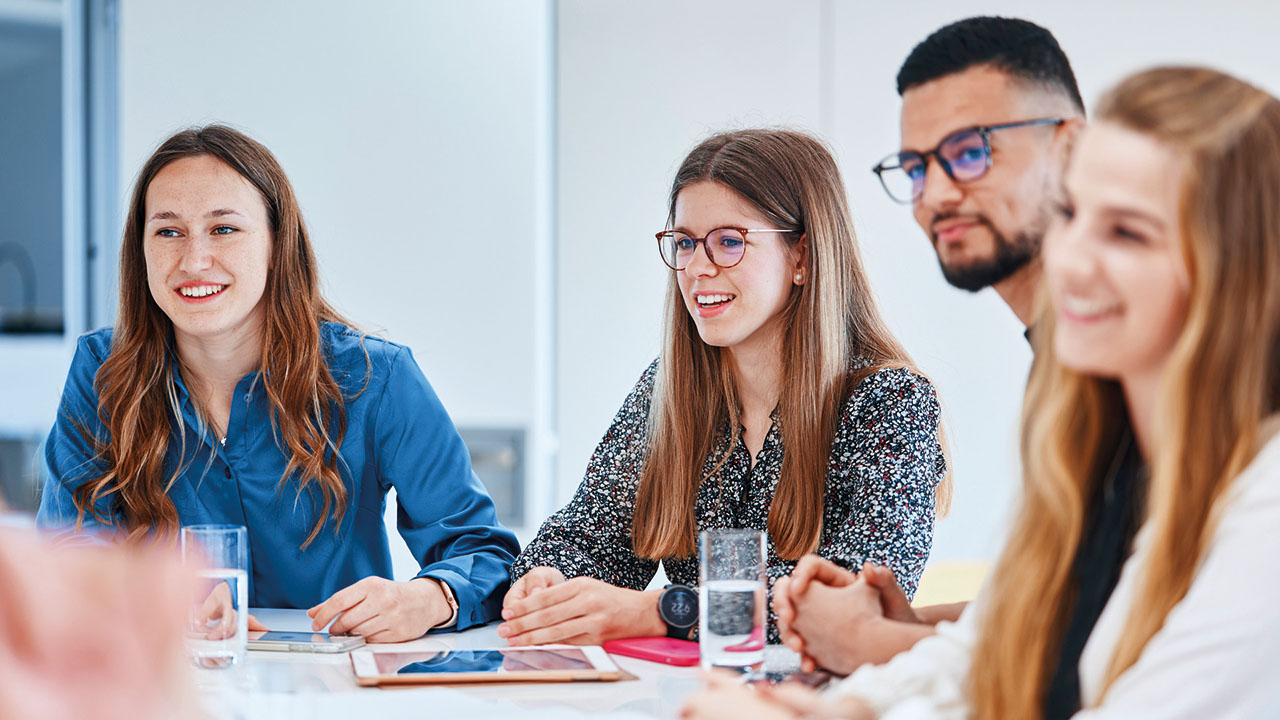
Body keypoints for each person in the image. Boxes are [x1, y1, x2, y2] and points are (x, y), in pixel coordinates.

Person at [683, 65, 1280, 719]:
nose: (1071, 259)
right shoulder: (1112, 457)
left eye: (1127, 232)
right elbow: (996, 649)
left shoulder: (1264, 502)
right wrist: (835, 711)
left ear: (1237, 269)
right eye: (1070, 214)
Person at [37, 125, 519, 642]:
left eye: (224, 229)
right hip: (170, 674)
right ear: (142, 252)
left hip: (336, 677)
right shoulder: (101, 373)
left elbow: (482, 552)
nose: (194, 260)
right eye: (168, 232)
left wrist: (428, 599)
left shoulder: (378, 378)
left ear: (276, 244)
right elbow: (68, 553)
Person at [498, 128, 948, 647]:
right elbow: (586, 540)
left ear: (802, 257)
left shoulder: (889, 400)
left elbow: (861, 601)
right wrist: (548, 582)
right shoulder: (666, 390)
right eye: (685, 242)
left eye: (729, 242)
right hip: (694, 689)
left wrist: (666, 610)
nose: (696, 268)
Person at [776, 15, 1087, 674]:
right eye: (917, 167)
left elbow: (1121, 648)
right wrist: (907, 624)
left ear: (1071, 148)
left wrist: (868, 645)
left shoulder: (1134, 365)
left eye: (970, 152)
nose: (937, 195)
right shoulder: (1061, 361)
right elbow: (1070, 605)